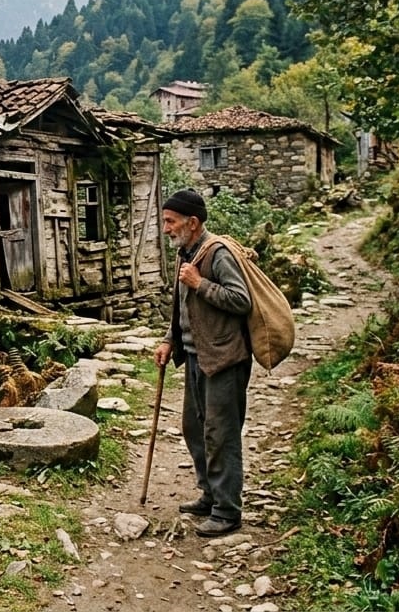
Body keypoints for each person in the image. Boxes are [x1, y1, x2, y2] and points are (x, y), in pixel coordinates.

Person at [153, 189, 253, 538]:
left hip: (225, 358)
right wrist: (169, 340)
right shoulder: (186, 252)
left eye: (170, 221)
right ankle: (210, 495)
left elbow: (241, 301)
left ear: (192, 223)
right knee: (194, 429)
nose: (165, 228)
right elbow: (181, 306)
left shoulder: (217, 254)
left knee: (220, 434)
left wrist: (200, 283)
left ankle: (227, 511)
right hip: (196, 357)